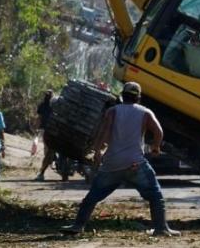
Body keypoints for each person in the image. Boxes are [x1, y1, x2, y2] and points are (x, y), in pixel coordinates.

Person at [60, 82, 180, 236]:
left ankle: (78, 225)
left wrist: (97, 151)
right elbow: (158, 131)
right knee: (155, 194)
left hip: (112, 164)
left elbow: (103, 132)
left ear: (122, 95)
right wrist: (156, 147)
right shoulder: (145, 112)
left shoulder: (112, 111)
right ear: (139, 97)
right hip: (135, 164)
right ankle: (161, 228)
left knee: (93, 195)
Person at [35, 90, 58, 181]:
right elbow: (40, 118)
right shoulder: (43, 105)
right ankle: (43, 171)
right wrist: (37, 130)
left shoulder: (55, 105)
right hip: (46, 130)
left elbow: (39, 118)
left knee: (48, 151)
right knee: (48, 151)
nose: (47, 96)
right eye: (46, 95)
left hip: (52, 130)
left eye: (48, 95)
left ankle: (43, 170)